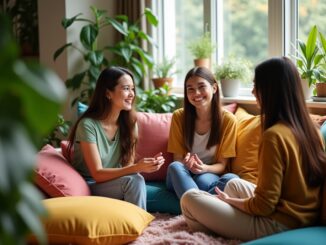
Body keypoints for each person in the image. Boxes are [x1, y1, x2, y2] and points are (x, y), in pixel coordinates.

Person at [181, 57, 326, 241]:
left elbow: (263, 206)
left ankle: (217, 239)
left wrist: (232, 202)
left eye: (256, 85)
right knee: (233, 184)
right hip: (302, 215)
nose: (252, 91)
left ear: (270, 90)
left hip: (279, 224)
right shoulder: (312, 130)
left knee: (189, 199)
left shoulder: (274, 136)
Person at [67, 66, 165, 210]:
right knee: (135, 181)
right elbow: (97, 174)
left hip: (118, 184)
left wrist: (147, 166)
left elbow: (127, 167)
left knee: (159, 193)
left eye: (132, 89)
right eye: (126, 88)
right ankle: (137, 228)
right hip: (90, 185)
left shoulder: (130, 124)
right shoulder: (87, 125)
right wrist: (137, 168)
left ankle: (135, 224)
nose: (131, 94)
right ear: (108, 93)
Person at [166, 66, 239, 199]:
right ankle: (201, 205)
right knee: (175, 166)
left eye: (201, 87)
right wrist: (187, 165)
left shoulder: (228, 120)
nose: (196, 93)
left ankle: (192, 204)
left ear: (214, 88)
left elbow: (222, 165)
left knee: (231, 178)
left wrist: (203, 168)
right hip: (181, 173)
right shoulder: (179, 117)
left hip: (208, 173)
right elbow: (177, 158)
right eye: (190, 89)